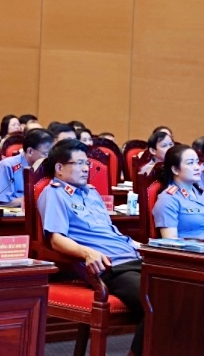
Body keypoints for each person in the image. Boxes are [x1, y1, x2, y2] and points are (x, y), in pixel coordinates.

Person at [37, 139, 144, 356]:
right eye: (78, 163)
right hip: (112, 266)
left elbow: (109, 231)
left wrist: (141, 246)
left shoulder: (92, 192)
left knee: (181, 296)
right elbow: (56, 239)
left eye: (87, 163)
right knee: (158, 302)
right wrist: (87, 253)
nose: (86, 168)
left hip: (135, 258)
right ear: (59, 168)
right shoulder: (54, 193)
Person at [154, 145, 204, 242]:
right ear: (175, 170)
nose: (197, 167)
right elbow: (170, 241)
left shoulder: (200, 193)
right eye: (190, 163)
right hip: (189, 250)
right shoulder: (168, 199)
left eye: (197, 162)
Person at [0, 129, 54, 207]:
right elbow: (3, 203)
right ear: (30, 151)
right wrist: (34, 199)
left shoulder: (46, 167)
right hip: (6, 214)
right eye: (46, 153)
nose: (49, 158)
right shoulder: (7, 166)